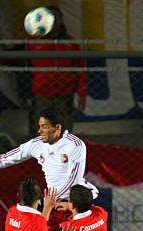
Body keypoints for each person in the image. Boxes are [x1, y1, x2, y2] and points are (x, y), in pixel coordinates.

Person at [0, 108, 98, 231]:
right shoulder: (36, 144)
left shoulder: (75, 145)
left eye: (44, 127)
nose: (39, 131)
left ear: (57, 127)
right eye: (39, 126)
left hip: (78, 204)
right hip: (54, 203)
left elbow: (74, 178)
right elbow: (6, 158)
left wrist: (57, 202)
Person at [27, 6, 87, 135]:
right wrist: (27, 91)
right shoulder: (33, 42)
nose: (54, 21)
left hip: (65, 93)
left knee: (64, 127)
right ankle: (39, 153)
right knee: (39, 128)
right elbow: (25, 70)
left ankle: (63, 152)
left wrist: (81, 92)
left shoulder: (70, 43)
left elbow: (80, 68)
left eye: (57, 18)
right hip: (41, 93)